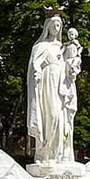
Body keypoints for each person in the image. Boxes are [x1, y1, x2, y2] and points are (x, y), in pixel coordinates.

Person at [28, 12, 73, 165]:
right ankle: (44, 152)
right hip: (47, 83)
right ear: (47, 26)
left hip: (61, 84)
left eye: (59, 24)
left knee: (62, 119)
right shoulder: (41, 46)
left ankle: (59, 154)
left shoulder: (62, 47)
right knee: (50, 115)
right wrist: (37, 72)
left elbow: (70, 64)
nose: (56, 27)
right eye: (53, 24)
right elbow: (35, 63)